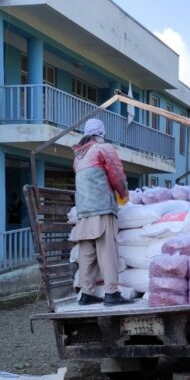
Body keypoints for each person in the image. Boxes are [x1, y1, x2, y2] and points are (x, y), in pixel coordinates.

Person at [71, 118, 131, 306]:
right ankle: (111, 293)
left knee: (87, 254)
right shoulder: (103, 148)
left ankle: (86, 293)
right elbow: (117, 175)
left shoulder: (78, 157)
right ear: (102, 133)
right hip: (102, 208)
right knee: (107, 252)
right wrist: (124, 193)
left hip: (83, 212)